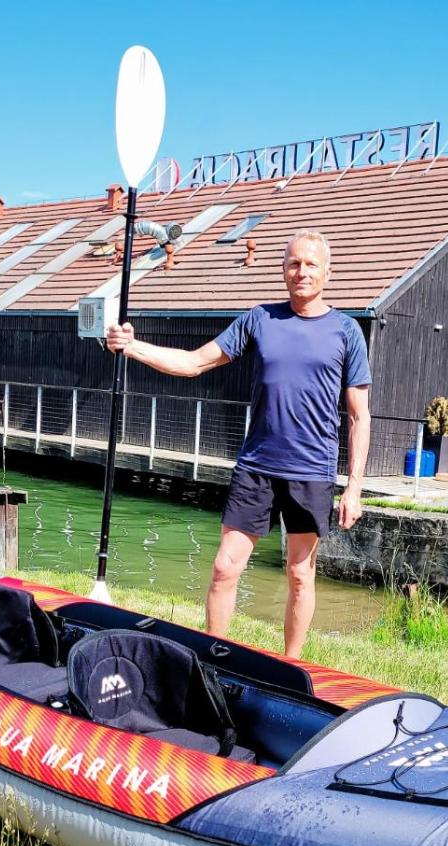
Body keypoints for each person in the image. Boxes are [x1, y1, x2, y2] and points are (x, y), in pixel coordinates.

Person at [105, 230, 371, 659]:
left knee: (300, 574)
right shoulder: (259, 319)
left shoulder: (346, 331)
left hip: (311, 471)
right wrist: (132, 347)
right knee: (224, 567)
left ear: (327, 272)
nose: (301, 272)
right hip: (256, 467)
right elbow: (194, 363)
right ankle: (215, 658)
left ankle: (291, 665)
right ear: (283, 269)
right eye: (293, 263)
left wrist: (354, 486)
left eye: (310, 264)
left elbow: (359, 416)